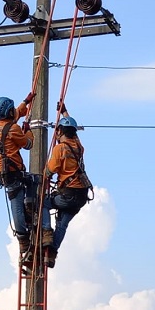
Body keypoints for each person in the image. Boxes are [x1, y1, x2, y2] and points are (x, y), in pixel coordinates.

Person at [40, 103, 92, 267]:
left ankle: (47, 234)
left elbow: (48, 171)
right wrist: (64, 112)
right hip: (80, 197)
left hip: (68, 195)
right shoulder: (78, 147)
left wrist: (41, 179)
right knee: (62, 224)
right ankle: (51, 253)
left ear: (60, 131)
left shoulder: (60, 149)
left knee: (43, 203)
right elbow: (72, 128)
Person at [0, 92, 36, 260]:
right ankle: (23, 237)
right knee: (20, 196)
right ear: (8, 112)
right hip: (12, 170)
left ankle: (28, 212)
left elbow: (16, 114)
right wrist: (28, 131)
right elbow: (28, 145)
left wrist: (27, 101)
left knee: (22, 190)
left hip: (1, 171)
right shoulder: (13, 128)